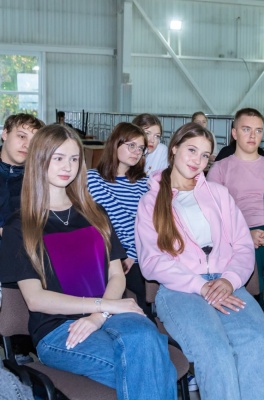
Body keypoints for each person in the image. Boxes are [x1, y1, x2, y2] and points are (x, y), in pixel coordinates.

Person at [0, 124, 176, 399]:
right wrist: (103, 306)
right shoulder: (20, 225)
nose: (67, 166)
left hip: (111, 315)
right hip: (59, 330)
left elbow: (116, 275)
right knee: (154, 368)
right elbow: (35, 299)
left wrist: (98, 316)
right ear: (39, 159)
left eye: (74, 158)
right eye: (58, 158)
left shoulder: (95, 213)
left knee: (146, 343)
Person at [135, 122, 264, 400]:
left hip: (226, 282)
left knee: (257, 341)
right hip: (180, 290)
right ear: (174, 148)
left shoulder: (218, 194)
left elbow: (242, 245)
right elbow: (152, 261)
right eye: (192, 150)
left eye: (205, 155)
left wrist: (229, 279)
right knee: (215, 351)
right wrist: (199, 286)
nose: (197, 161)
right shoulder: (151, 201)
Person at [207, 108, 264, 308]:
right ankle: (256, 309)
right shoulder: (220, 168)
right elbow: (212, 213)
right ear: (234, 133)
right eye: (246, 129)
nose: (253, 136)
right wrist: (245, 235)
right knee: (248, 261)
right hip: (236, 232)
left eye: (258, 130)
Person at [87, 122, 151, 317]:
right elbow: (91, 221)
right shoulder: (92, 179)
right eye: (131, 145)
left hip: (136, 252)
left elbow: (147, 226)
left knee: (140, 287)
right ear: (116, 144)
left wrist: (131, 255)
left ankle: (145, 322)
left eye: (140, 148)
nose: (137, 152)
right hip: (104, 251)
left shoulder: (144, 184)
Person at [0, 113, 44, 244]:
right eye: (21, 136)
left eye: (34, 142)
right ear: (5, 134)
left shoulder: (40, 179)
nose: (27, 145)